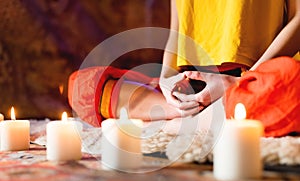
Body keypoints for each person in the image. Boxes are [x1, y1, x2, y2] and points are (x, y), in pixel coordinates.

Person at [68, 0, 300, 128]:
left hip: (259, 78)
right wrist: (166, 81)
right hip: (194, 83)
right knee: (83, 87)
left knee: (291, 84)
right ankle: (187, 111)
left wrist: (238, 82)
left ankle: (206, 112)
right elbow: (176, 31)